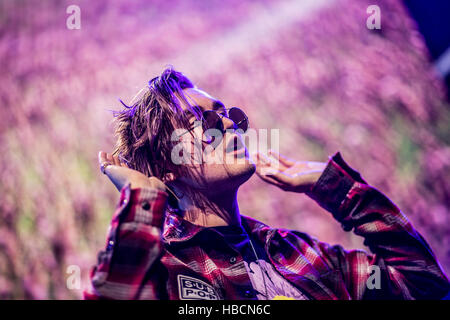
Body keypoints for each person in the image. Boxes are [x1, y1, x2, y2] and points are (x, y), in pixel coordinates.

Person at [84, 66, 449, 300]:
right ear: (167, 166)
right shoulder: (165, 269)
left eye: (228, 115)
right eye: (201, 120)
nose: (228, 124)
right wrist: (142, 197)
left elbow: (425, 287)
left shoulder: (298, 254)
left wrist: (331, 184)